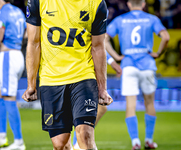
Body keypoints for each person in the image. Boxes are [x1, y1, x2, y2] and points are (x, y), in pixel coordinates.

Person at [22, 0, 113, 150]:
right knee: (60, 145)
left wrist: (102, 89)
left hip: (83, 75)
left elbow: (98, 47)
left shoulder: (96, 3)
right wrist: (31, 85)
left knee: (85, 135)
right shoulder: (39, 2)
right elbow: (34, 42)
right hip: (51, 79)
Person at [106, 0, 170, 150]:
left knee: (130, 104)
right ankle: (149, 140)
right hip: (147, 64)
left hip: (128, 65)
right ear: (143, 4)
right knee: (149, 103)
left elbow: (104, 38)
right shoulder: (151, 19)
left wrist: (116, 56)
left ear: (129, 4)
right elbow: (166, 37)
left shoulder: (120, 20)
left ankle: (135, 142)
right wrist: (158, 53)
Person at [0, 0, 26, 149]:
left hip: (8, 57)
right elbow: (26, 33)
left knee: (9, 96)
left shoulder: (2, 13)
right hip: (17, 54)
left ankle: (19, 142)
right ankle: (2, 136)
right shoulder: (18, 11)